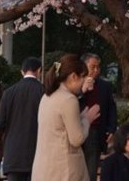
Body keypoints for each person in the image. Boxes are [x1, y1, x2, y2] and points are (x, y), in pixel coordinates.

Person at [31, 54, 101, 181]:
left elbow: (59, 128)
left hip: (43, 169)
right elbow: (77, 139)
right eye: (83, 77)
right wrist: (87, 119)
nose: (84, 82)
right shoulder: (69, 99)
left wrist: (81, 118)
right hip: (64, 170)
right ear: (74, 76)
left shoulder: (47, 96)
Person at [0, 57, 44, 181]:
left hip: (13, 154)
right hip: (37, 153)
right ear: (39, 70)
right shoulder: (44, 91)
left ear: (22, 72)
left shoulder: (9, 93)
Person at [79, 53, 118, 181]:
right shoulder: (76, 83)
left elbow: (111, 108)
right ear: (84, 66)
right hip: (77, 129)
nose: (96, 70)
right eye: (93, 67)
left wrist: (112, 128)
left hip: (95, 132)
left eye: (98, 67)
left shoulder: (104, 86)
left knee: (91, 171)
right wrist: (82, 91)